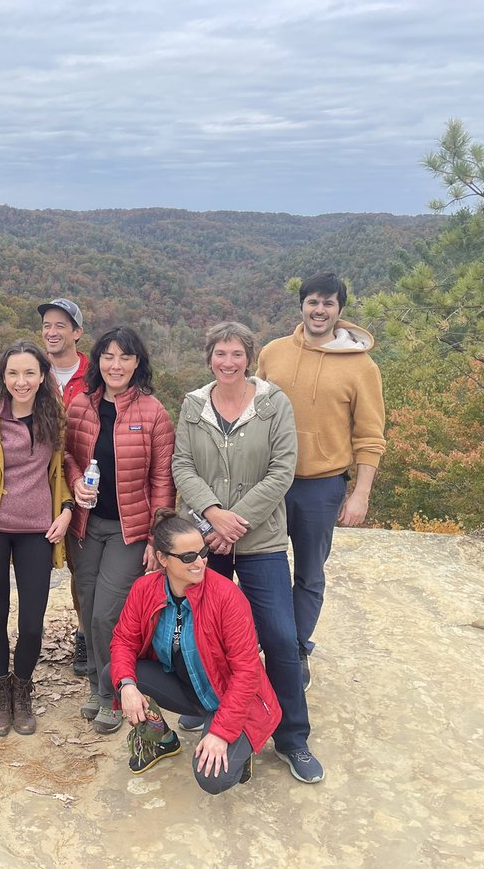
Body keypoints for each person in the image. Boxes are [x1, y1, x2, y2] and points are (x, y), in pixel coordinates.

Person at [172, 321, 323, 783]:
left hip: (259, 539)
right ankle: (204, 704)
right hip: (207, 537)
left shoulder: (272, 404)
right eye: (220, 353)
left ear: (249, 357)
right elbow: (182, 463)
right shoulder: (194, 405)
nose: (228, 362)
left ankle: (293, 737)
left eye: (236, 353)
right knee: (203, 631)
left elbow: (283, 470)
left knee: (278, 635)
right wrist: (214, 514)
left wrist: (235, 521)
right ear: (209, 357)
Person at [256, 273, 386, 690]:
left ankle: (294, 649)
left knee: (309, 573)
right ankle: (264, 644)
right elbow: (249, 412)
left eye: (328, 303)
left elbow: (370, 435)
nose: (319, 310)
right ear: (301, 305)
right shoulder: (273, 353)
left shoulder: (362, 366)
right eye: (313, 301)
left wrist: (360, 494)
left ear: (339, 310)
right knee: (263, 569)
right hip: (269, 481)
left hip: (322, 485)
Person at [110, 509, 281, 793]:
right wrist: (127, 686)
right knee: (114, 675)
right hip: (188, 689)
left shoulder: (227, 596)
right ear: (163, 558)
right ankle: (161, 740)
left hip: (230, 698)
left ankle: (239, 746)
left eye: (202, 552)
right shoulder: (144, 588)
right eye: (188, 557)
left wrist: (221, 733)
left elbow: (247, 671)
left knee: (213, 778)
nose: (200, 562)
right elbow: (123, 641)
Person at [0, 341, 73, 736]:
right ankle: (0, 688)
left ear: (42, 376)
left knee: (33, 621)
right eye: (13, 373)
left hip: (37, 530)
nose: (21, 382)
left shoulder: (54, 418)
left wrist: (67, 510)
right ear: (2, 377)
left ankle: (23, 686)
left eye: (29, 373)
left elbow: (63, 473)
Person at [65, 326, 175, 734]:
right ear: (97, 362)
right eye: (108, 357)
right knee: (89, 608)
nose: (115, 365)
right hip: (86, 526)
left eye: (125, 357)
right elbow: (69, 458)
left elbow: (162, 480)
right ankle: (96, 685)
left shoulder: (153, 412)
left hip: (130, 529)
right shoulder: (81, 406)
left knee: (109, 614)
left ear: (137, 364)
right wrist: (77, 481)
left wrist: (156, 538)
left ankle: (116, 691)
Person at [39, 297, 90, 676]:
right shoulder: (32, 370)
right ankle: (27, 638)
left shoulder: (96, 374)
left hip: (84, 485)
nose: (52, 332)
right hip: (38, 485)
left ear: (77, 332)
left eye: (61, 325)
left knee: (82, 568)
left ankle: (86, 634)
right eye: (46, 326)